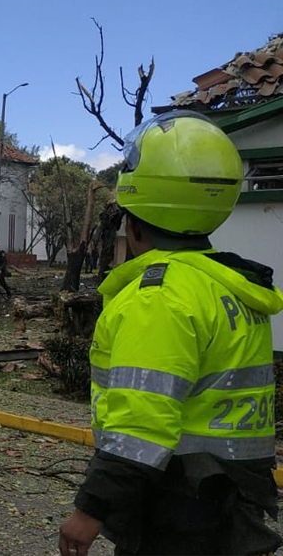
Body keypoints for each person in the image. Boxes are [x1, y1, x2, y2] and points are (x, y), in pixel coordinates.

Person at [58, 111, 283, 556]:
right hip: (232, 500)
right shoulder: (229, 286)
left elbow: (142, 422)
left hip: (178, 505)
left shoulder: (158, 298)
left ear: (133, 223)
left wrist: (89, 511)